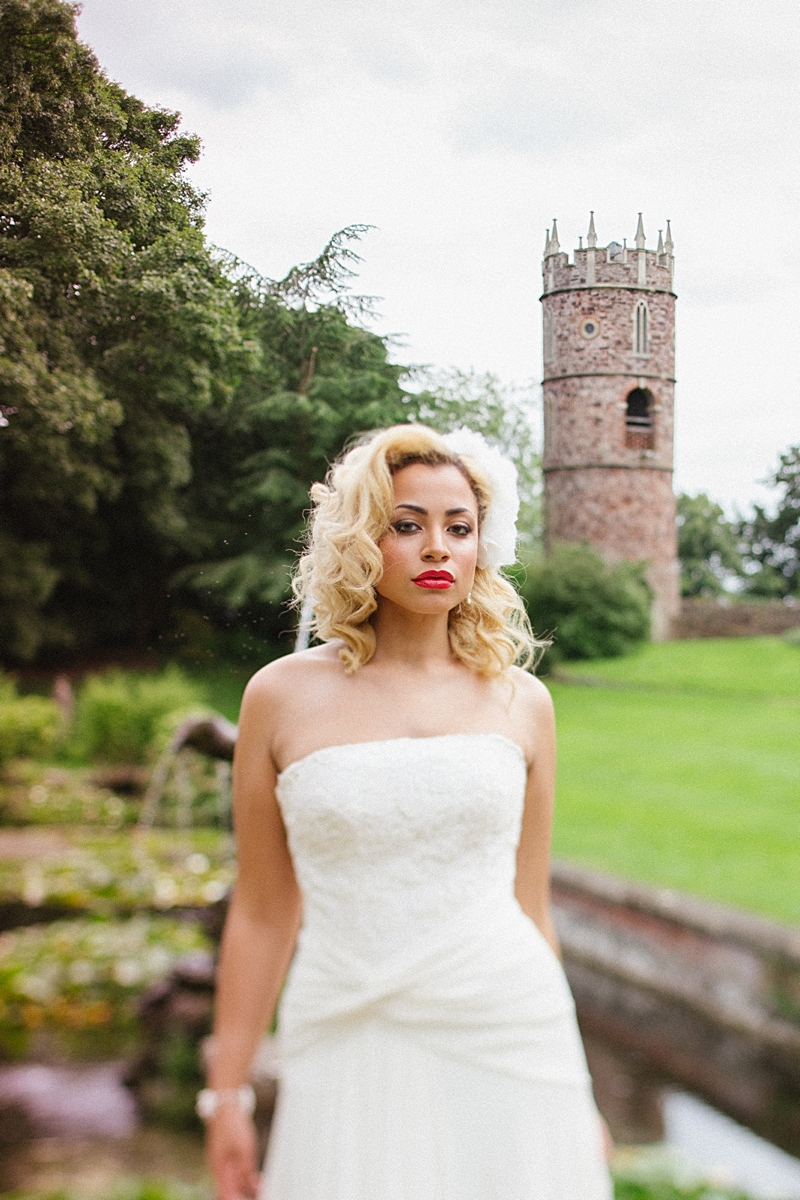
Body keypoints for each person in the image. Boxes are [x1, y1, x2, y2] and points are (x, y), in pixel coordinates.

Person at [202, 424, 612, 1200]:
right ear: (364, 537)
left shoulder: (525, 703)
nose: (437, 548)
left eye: (459, 528)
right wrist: (226, 1094)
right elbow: (260, 913)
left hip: (511, 1031)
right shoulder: (278, 697)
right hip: (345, 1028)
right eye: (408, 524)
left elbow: (532, 906)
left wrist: (578, 1087)